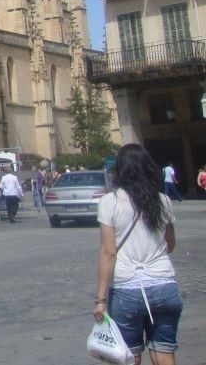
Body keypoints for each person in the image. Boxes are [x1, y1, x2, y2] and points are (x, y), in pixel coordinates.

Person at [95, 144, 181, 364]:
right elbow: (170, 244)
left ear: (120, 170)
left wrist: (101, 300)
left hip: (128, 289)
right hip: (164, 285)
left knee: (128, 356)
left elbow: (108, 253)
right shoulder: (163, 200)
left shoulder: (109, 202)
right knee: (163, 350)